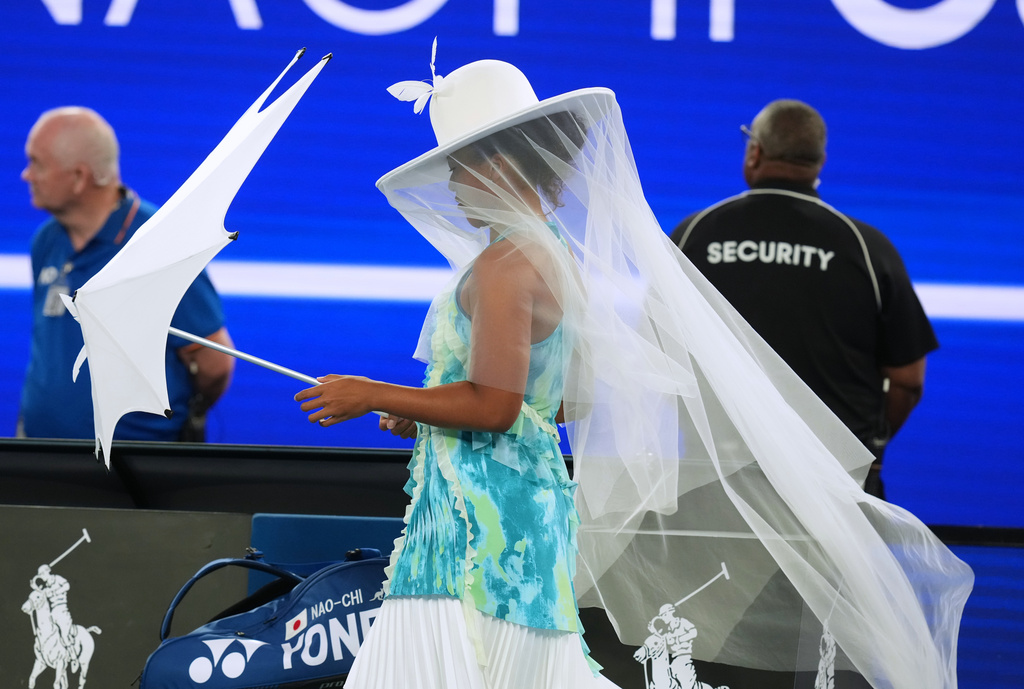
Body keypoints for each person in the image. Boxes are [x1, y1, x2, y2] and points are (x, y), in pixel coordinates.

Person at [297, 50, 969, 689]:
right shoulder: (552, 251)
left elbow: (498, 407)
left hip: (483, 521)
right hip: (508, 510)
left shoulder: (509, 263)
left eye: (458, 165)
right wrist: (421, 408)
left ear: (500, 165)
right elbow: (560, 400)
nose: (448, 181)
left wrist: (370, 392)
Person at [671, 99, 938, 499]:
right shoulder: (866, 248)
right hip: (834, 487)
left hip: (716, 486)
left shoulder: (695, 235)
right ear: (820, 162)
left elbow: (654, 349)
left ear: (755, 152)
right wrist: (866, 450)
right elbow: (907, 381)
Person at [18, 106, 235, 442]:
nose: (26, 175)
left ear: (78, 177)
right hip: (43, 455)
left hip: (130, 472)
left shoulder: (160, 245)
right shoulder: (47, 241)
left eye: (37, 163)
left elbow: (214, 363)